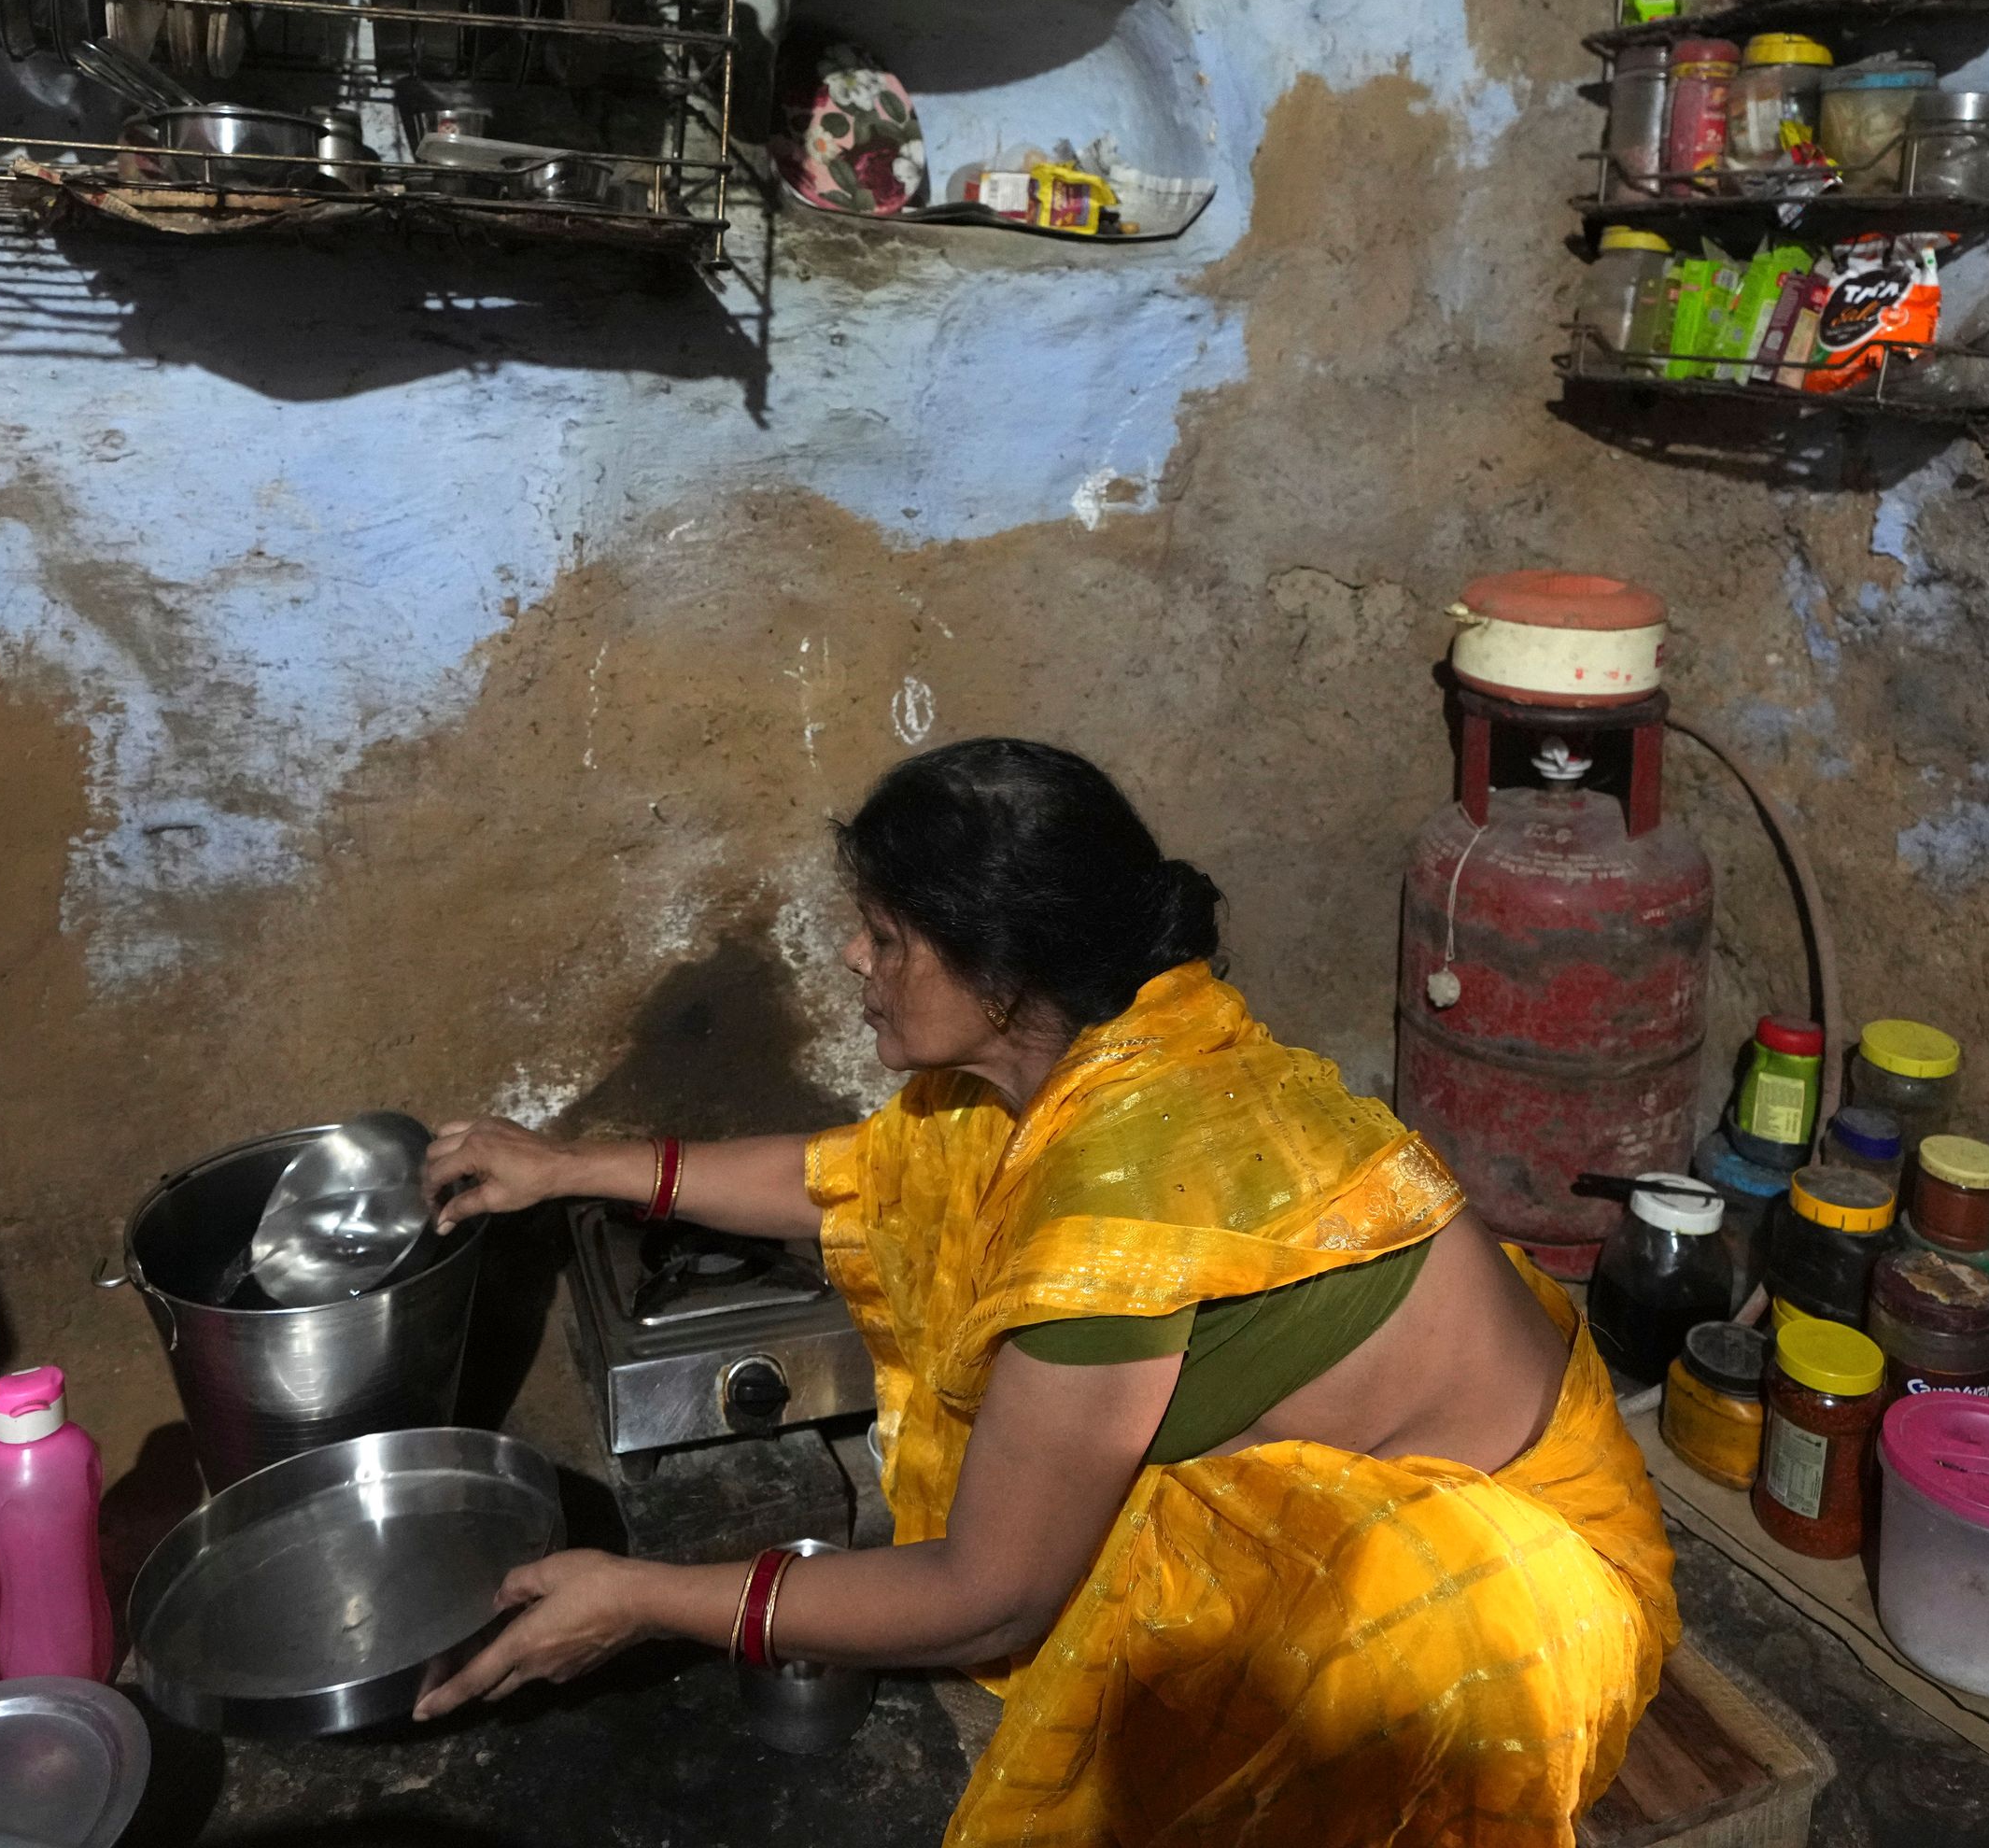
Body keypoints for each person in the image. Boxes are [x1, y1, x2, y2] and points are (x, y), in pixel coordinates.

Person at [418, 739, 1676, 1846]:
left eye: (890, 936)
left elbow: (988, 1596)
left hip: (1506, 1561)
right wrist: (568, 1168)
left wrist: (638, 1601)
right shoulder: (1100, 1049)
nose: (855, 958)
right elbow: (864, 1182)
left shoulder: (1115, 1206)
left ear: (1005, 971)